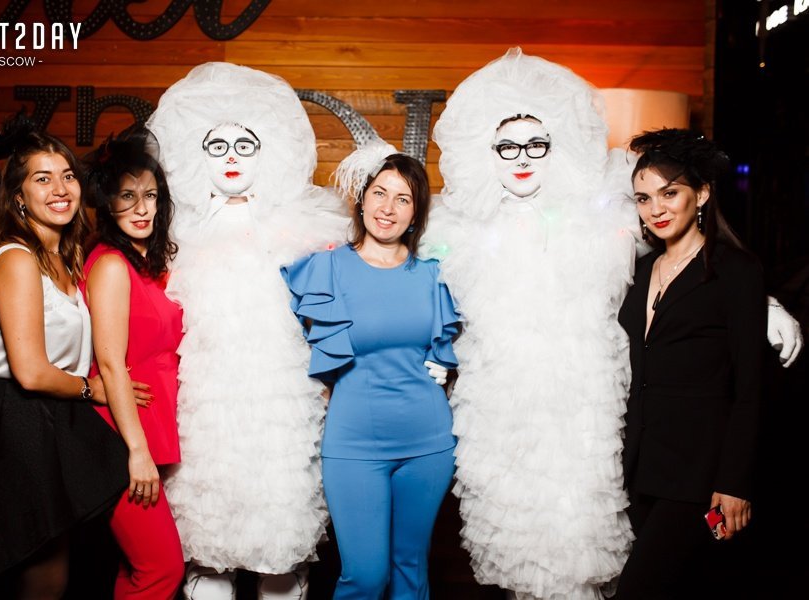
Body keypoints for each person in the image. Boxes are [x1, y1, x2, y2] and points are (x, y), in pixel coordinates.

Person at [420, 48, 802, 600]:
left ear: (558, 147)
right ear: (487, 152)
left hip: (588, 422)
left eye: (536, 144)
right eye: (507, 146)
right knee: (522, 563)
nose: (522, 158)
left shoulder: (605, 217)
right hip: (502, 422)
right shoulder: (456, 229)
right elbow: (403, 277)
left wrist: (762, 305)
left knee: (588, 565)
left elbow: (693, 263)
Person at [0, 118, 144, 599]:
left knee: (62, 570)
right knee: (38, 573)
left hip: (53, 418)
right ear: (19, 197)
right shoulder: (16, 259)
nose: (60, 188)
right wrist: (94, 389)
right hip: (16, 418)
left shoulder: (66, 259)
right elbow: (32, 371)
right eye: (43, 178)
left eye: (68, 175)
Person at [146, 62, 348, 600]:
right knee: (209, 556)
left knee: (281, 554)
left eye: (245, 145)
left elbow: (328, 318)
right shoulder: (172, 234)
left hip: (280, 411)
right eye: (217, 146)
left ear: (268, 153)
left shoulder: (305, 231)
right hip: (205, 413)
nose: (231, 157)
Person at [282, 143, 461, 599]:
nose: (388, 208)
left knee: (410, 571)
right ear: (361, 199)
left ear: (416, 213)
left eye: (403, 199)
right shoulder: (325, 267)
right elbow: (296, 354)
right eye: (380, 193)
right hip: (354, 444)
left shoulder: (436, 273)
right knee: (365, 575)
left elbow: (455, 352)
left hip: (428, 442)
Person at [614, 129, 766, 598]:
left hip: (700, 475)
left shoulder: (735, 271)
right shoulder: (638, 272)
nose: (655, 209)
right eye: (643, 198)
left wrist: (734, 483)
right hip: (640, 468)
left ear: (700, 194)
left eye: (669, 193)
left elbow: (751, 388)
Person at [80, 126, 184, 598]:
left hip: (150, 424)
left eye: (150, 195)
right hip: (121, 435)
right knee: (162, 569)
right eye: (127, 196)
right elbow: (109, 363)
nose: (141, 208)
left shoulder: (149, 266)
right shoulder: (111, 266)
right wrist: (136, 452)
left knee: (137, 570)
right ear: (107, 203)